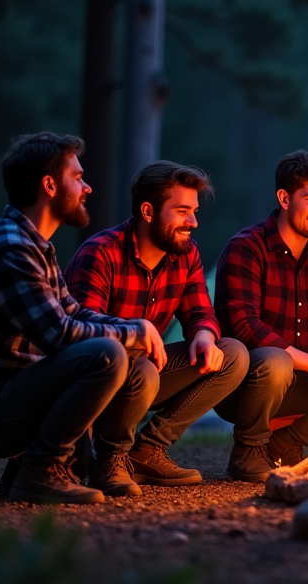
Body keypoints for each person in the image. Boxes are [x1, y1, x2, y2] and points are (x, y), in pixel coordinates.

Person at [0, 132, 166, 504]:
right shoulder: (10, 248)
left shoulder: (35, 245)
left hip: (17, 395)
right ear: (49, 185)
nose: (88, 187)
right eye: (77, 177)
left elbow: (73, 311)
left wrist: (136, 332)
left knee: (134, 363)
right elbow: (60, 335)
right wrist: (133, 332)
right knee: (107, 355)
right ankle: (41, 470)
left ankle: (30, 470)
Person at [64, 161, 248, 494]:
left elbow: (200, 312)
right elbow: (81, 333)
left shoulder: (185, 253)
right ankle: (110, 460)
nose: (193, 222)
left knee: (232, 354)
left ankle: (146, 451)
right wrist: (135, 335)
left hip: (145, 378)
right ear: (148, 211)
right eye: (182, 211)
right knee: (142, 368)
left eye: (193, 211)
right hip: (96, 384)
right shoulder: (101, 253)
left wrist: (204, 335)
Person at [214, 150, 308, 481]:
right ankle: (247, 452)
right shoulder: (246, 248)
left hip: (297, 384)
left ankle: (285, 444)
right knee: (276, 361)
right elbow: (243, 324)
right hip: (242, 385)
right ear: (284, 198)